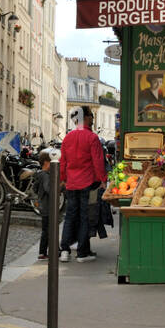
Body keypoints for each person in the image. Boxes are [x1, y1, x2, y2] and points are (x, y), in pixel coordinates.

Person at [58, 106, 106, 262]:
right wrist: (103, 180)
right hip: (87, 182)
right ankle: (82, 252)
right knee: (85, 216)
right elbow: (98, 161)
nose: (93, 119)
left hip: (71, 182)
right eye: (91, 116)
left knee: (70, 216)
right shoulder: (92, 138)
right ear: (85, 117)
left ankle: (64, 250)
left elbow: (63, 161)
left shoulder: (67, 138)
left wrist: (63, 179)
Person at [32, 150, 55, 260]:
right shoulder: (46, 175)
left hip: (42, 205)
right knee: (48, 230)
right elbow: (48, 189)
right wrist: (58, 188)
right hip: (47, 206)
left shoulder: (39, 174)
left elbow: (35, 188)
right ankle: (44, 251)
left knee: (45, 229)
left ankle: (43, 251)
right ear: (46, 163)